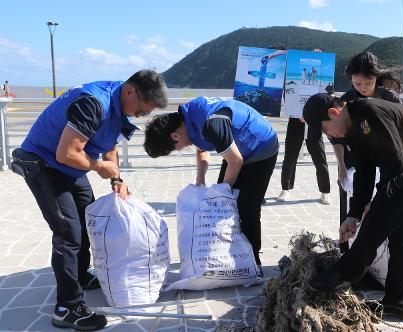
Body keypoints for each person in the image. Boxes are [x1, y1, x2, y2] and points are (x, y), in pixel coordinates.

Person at [11, 69, 168, 331]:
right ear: (131, 92)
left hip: (68, 166)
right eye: (141, 112)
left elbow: (111, 146)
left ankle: (79, 275)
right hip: (44, 163)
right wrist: (97, 166)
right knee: (67, 232)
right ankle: (66, 308)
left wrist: (116, 180)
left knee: (88, 218)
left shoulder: (121, 103)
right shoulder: (92, 103)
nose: (138, 116)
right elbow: (66, 153)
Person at [303, 93, 403, 321]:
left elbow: (394, 162)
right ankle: (398, 306)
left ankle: (346, 270)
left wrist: (377, 202)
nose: (328, 135)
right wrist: (353, 214)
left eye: (324, 129)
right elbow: (364, 173)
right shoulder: (353, 130)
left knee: (386, 203)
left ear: (334, 113)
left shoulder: (368, 112)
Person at [143, 96, 278, 271]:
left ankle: (253, 264)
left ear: (175, 135)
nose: (181, 148)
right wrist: (200, 181)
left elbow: (235, 161)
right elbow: (202, 149)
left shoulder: (210, 125)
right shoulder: (189, 118)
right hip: (237, 148)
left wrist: (223, 193)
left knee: (246, 207)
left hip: (261, 147)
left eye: (175, 148)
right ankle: (227, 255)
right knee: (223, 205)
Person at [334, 51, 403, 252]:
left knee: (383, 203)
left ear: (376, 78)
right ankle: (348, 247)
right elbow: (336, 136)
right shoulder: (347, 100)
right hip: (358, 156)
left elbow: (401, 137)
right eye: (357, 84)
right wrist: (341, 165)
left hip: (389, 156)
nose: (362, 89)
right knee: (355, 201)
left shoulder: (390, 98)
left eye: (367, 83)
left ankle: (383, 253)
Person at [277, 49, 332, 204]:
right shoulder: (294, 74)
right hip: (295, 120)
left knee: (319, 158)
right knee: (290, 157)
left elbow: (328, 99)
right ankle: (285, 189)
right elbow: (288, 94)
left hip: (313, 122)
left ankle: (325, 191)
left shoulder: (323, 77)